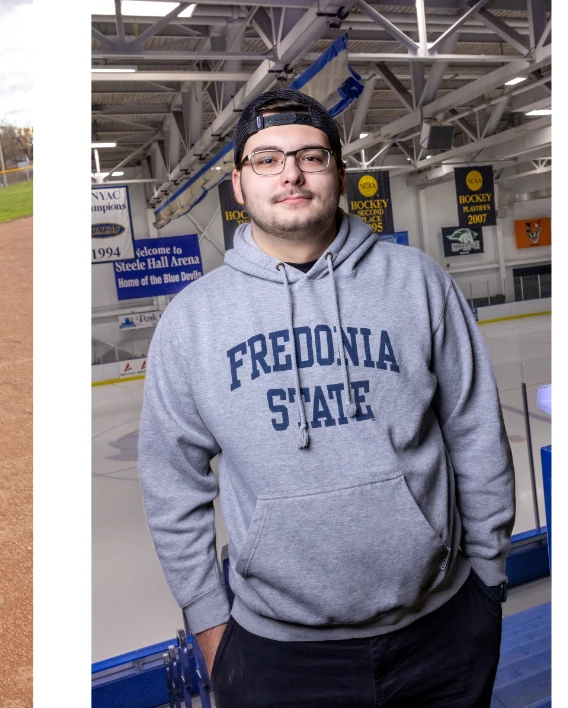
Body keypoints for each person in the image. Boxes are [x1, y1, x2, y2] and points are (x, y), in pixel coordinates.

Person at [138, 89, 517, 707]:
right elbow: (171, 483)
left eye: (310, 155)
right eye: (266, 160)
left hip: (442, 632)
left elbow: (475, 432)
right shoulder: (192, 321)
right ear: (238, 185)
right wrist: (210, 624)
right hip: (277, 657)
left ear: (339, 175)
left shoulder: (418, 282)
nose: (290, 172)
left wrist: (490, 582)